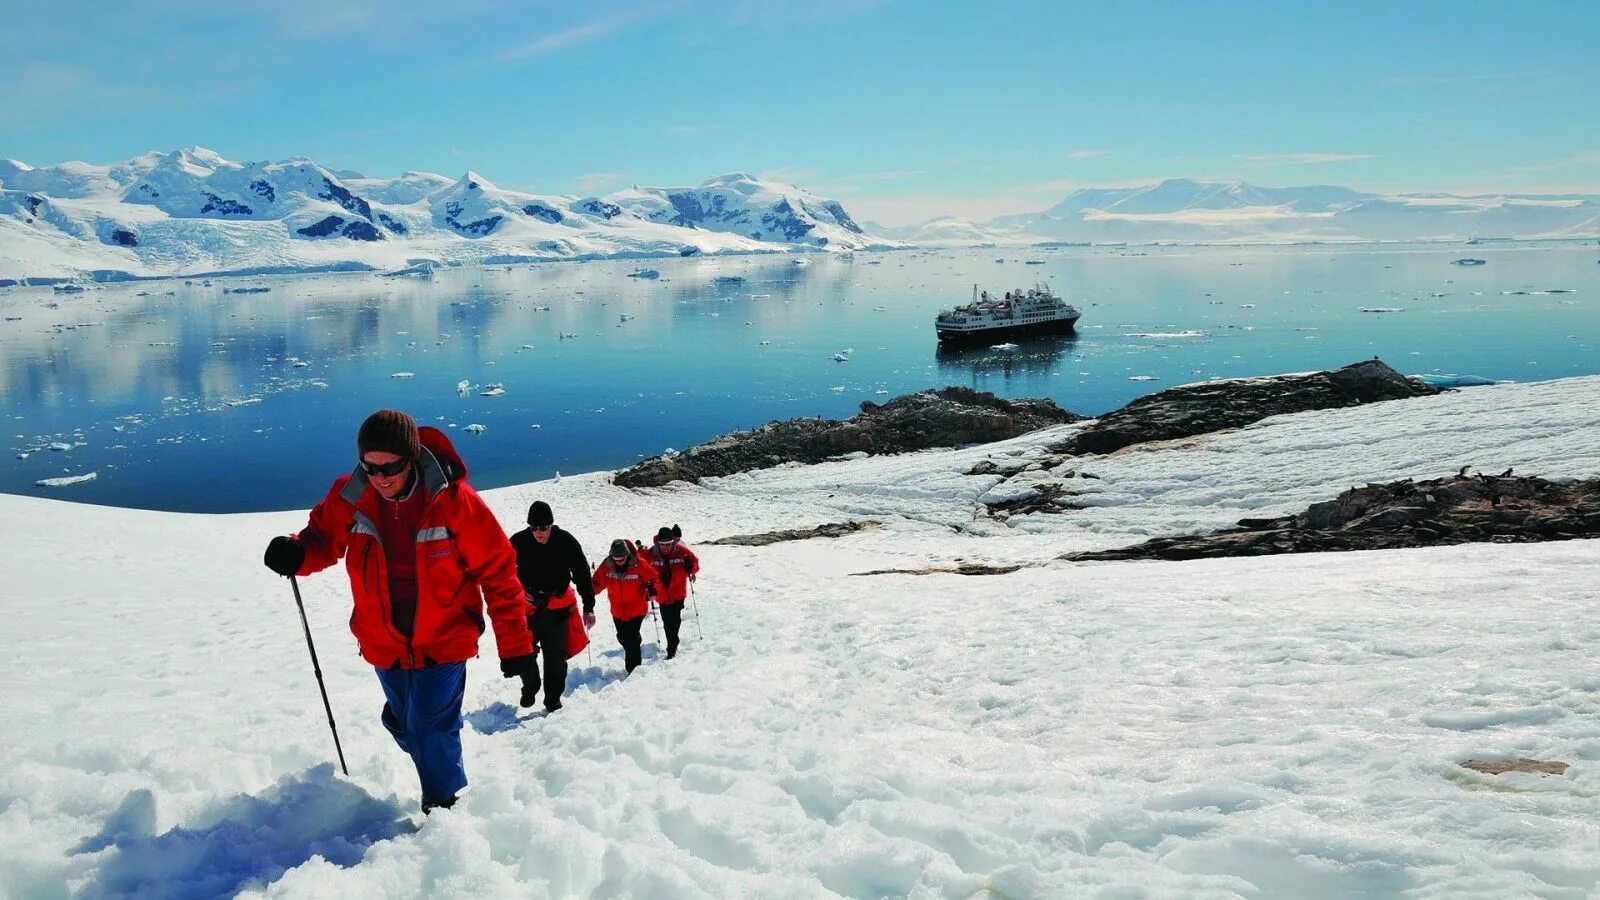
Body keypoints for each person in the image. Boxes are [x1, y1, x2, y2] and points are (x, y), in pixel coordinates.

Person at [261, 409, 535, 814]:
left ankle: (443, 805)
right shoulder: (351, 495)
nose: (381, 477)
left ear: (412, 459)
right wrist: (296, 552)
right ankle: (427, 740)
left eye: (391, 467)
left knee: (427, 725)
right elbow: (321, 538)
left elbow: (498, 572)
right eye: (370, 467)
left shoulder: (454, 501)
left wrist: (516, 645)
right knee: (411, 724)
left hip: (445, 638)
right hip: (384, 641)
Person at [508, 501, 596, 712]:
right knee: (522, 651)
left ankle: (552, 701)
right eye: (534, 528)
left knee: (555, 658)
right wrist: (519, 592)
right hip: (528, 607)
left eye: (543, 528)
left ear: (551, 525)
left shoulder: (566, 542)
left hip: (557, 608)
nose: (538, 532)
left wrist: (589, 606)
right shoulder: (518, 541)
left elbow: (582, 573)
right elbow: (504, 571)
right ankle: (530, 686)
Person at [591, 539, 662, 674]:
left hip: (637, 609)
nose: (619, 561)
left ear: (627, 555)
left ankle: (633, 670)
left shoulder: (639, 564)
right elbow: (597, 582)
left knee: (631, 639)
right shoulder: (607, 565)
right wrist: (589, 591)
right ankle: (635, 644)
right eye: (616, 559)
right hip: (617, 610)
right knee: (623, 637)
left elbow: (653, 578)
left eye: (621, 558)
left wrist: (652, 589)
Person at [640, 525, 699, 660]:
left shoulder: (682, 552)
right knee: (667, 621)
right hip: (662, 594)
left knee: (676, 619)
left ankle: (673, 642)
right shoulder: (650, 554)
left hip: (678, 592)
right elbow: (640, 565)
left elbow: (695, 563)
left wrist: (691, 568)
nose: (665, 547)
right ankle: (671, 648)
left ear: (673, 542)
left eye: (668, 544)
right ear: (658, 542)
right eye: (662, 544)